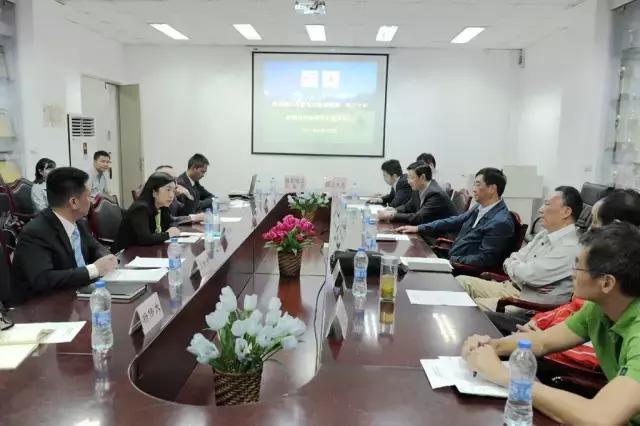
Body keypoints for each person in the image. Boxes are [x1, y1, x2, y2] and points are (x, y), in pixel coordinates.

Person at [462, 222, 640, 425]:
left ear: (607, 283)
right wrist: (492, 346)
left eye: (578, 267)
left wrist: (505, 376)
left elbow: (599, 418)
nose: (572, 274)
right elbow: (543, 342)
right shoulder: (599, 307)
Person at [457, 186, 582, 315]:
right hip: (512, 287)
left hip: (527, 304)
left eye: (547, 204)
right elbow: (513, 258)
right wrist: (519, 269)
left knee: (467, 306)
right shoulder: (545, 233)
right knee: (460, 282)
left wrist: (518, 268)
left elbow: (529, 275)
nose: (540, 209)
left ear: (566, 212)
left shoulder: (570, 248)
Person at [10, 167, 118, 304]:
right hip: (42, 307)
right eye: (89, 196)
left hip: (77, 298)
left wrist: (107, 259)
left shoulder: (78, 222)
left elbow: (94, 247)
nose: (91, 201)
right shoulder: (35, 232)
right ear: (74, 202)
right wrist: (94, 269)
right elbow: (43, 279)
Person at [397, 167, 515, 268]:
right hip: (453, 257)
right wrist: (419, 228)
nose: (473, 189)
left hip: (462, 269)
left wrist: (451, 261)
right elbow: (455, 220)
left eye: (478, 184)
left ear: (492, 189)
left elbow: (484, 259)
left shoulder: (500, 222)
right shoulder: (480, 207)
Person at [112, 172, 181, 252]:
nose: (171, 195)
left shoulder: (161, 207)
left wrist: (173, 229)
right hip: (125, 254)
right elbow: (145, 239)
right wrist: (168, 234)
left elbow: (172, 222)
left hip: (145, 251)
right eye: (168, 190)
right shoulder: (140, 209)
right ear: (154, 192)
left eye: (173, 191)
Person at [377, 161, 456, 225]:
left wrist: (391, 216)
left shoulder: (435, 194)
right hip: (426, 229)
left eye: (411, 178)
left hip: (442, 236)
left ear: (422, 178)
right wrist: (394, 210)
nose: (408, 181)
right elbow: (408, 207)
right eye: (408, 177)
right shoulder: (417, 189)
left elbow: (419, 217)